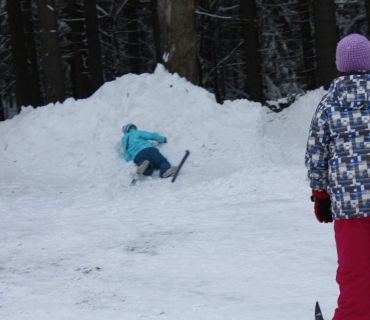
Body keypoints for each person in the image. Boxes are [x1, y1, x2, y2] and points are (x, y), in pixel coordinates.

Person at [305, 33, 370, 320]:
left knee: (355, 274)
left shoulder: (329, 105)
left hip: (350, 206)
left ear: (339, 65)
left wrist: (320, 196)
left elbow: (316, 154)